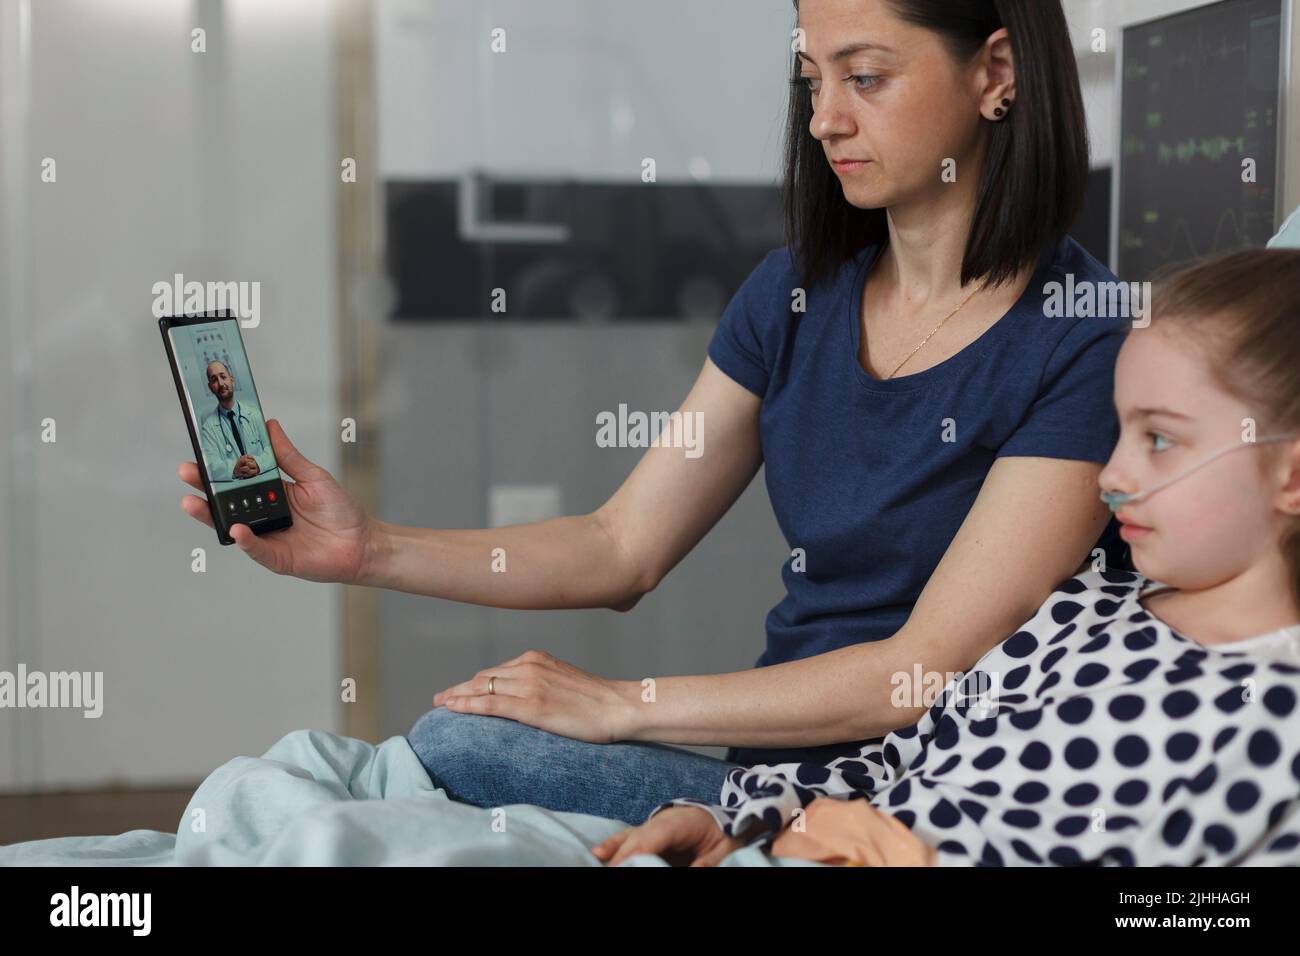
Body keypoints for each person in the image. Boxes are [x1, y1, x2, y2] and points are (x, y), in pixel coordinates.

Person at [176, 0, 1129, 825]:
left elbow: (921, 667)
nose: (825, 119)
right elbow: (619, 544)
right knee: (465, 739)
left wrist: (622, 705)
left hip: (919, 788)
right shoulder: (793, 295)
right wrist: (367, 549)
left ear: (996, 73)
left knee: (465, 750)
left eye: (866, 77)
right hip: (768, 774)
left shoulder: (1082, 341)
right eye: (810, 79)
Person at [594, 249, 1300, 867]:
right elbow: (899, 758)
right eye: (1120, 432)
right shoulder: (1084, 605)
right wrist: (732, 820)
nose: (1109, 475)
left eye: (1161, 441)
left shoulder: (1277, 720)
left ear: (1291, 478)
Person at [197, 360, 275, 483]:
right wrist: (234, 468)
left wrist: (259, 464)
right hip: (234, 488)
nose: (221, 383)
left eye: (223, 377)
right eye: (214, 380)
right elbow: (210, 466)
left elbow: (273, 449)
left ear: (232, 380)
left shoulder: (254, 414)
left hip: (263, 480)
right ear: (210, 387)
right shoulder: (208, 427)